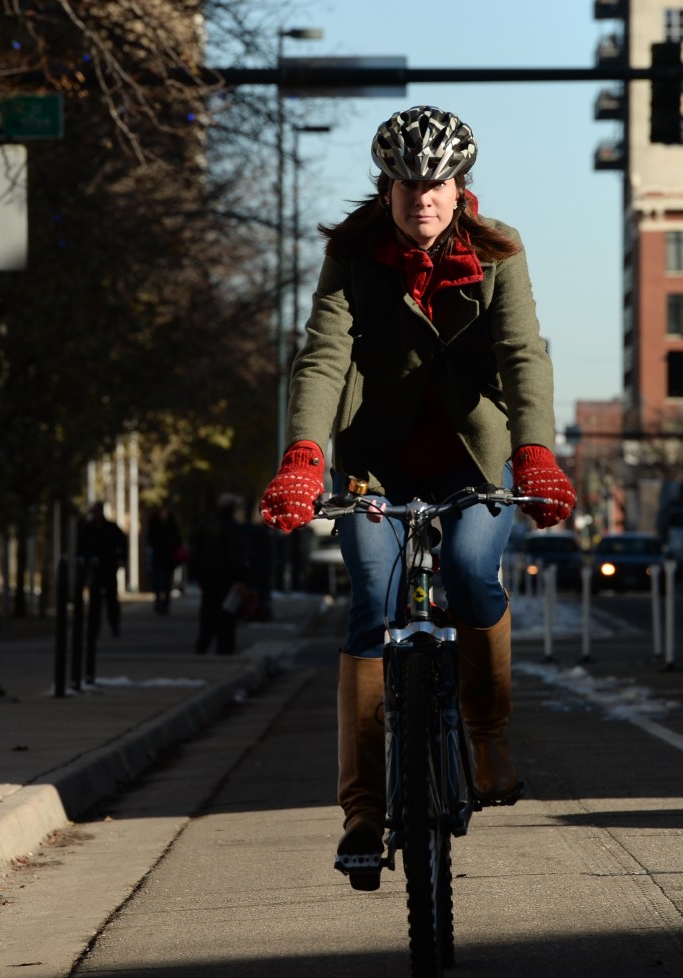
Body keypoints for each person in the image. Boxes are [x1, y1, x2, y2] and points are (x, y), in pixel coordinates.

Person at [258, 106, 575, 892]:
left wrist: (535, 450)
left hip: (473, 459)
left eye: (436, 185)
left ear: (458, 187)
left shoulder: (499, 251)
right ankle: (364, 812)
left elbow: (522, 353)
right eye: (406, 186)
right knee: (372, 598)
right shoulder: (352, 252)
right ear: (387, 188)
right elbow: (324, 355)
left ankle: (488, 739)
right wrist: (303, 456)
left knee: (470, 573)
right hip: (377, 463)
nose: (421, 199)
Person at [188, 492, 249, 655]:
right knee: (227, 616)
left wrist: (198, 575)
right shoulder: (231, 527)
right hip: (227, 578)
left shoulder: (205, 525)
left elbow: (195, 552)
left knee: (208, 613)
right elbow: (235, 555)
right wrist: (241, 577)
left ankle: (203, 644)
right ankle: (224, 649)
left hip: (208, 577)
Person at [76, 501, 127, 638]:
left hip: (109, 568)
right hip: (94, 570)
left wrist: (121, 559)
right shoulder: (87, 529)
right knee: (95, 600)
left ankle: (114, 625)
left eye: (97, 511)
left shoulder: (111, 528)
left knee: (111, 599)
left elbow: (122, 543)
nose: (95, 514)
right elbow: (81, 548)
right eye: (93, 512)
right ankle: (94, 626)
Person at [146, 502, 184, 614]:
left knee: (167, 582)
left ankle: (165, 605)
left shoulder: (172, 525)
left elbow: (178, 539)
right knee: (158, 581)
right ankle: (158, 603)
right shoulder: (155, 524)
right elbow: (151, 538)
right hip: (158, 556)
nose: (163, 514)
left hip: (169, 557)